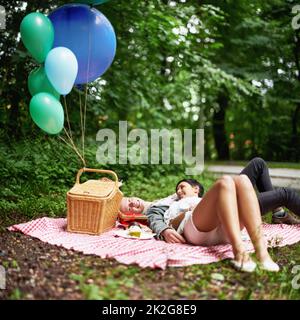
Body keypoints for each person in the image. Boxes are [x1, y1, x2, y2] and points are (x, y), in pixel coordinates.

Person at [119, 157, 300, 225]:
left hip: (221, 200)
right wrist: (114, 190)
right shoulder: (157, 207)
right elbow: (152, 217)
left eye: (181, 188)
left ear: (196, 189)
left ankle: (279, 213)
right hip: (229, 209)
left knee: (258, 163)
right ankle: (280, 209)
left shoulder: (180, 197)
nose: (179, 192)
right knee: (286, 194)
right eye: (130, 206)